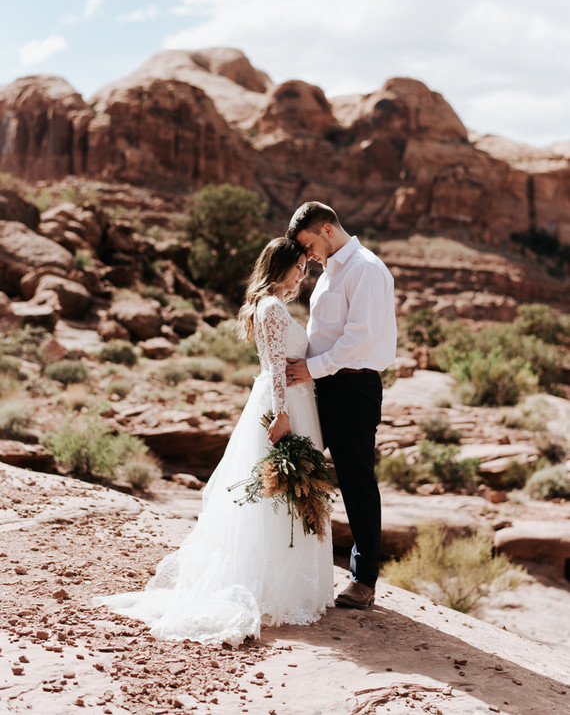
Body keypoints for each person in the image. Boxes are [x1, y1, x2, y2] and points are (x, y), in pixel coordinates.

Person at [93, 237, 334, 646]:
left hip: (292, 404)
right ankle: (275, 587)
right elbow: (275, 366)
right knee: (275, 497)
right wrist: (282, 416)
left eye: (305, 268)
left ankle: (288, 585)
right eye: (297, 267)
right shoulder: (272, 307)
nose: (302, 274)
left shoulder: (272, 304)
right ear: (278, 266)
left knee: (284, 496)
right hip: (284, 408)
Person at [286, 203, 396, 609]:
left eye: (310, 245)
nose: (308, 255)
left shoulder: (365, 268)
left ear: (328, 230)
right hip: (322, 385)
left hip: (353, 388)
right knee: (299, 471)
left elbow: (358, 340)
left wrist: (311, 369)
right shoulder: (331, 269)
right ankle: (296, 566)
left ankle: (364, 581)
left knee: (355, 481)